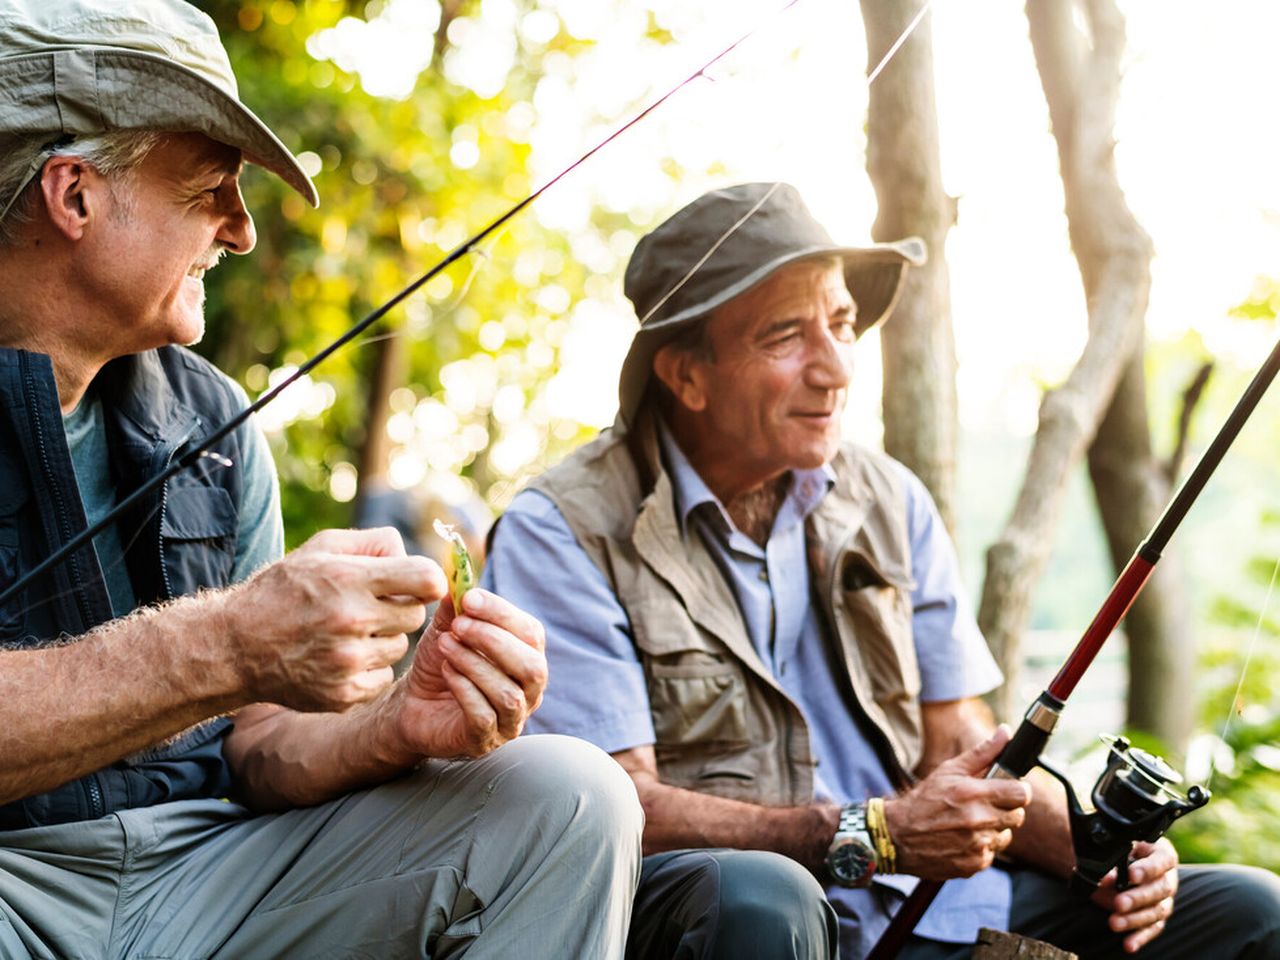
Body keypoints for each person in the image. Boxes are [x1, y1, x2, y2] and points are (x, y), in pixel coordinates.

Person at [483, 181, 1280, 959]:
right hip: (744, 920)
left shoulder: (890, 497)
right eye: (785, 336)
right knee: (766, 898)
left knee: (1250, 912)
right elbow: (616, 812)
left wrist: (1095, 848)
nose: (834, 367)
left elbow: (959, 738)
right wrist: (873, 837)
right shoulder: (562, 531)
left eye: (842, 323)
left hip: (946, 908)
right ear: (686, 374)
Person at [0, 2, 641, 957]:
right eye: (210, 188)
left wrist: (393, 725)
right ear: (75, 193)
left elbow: (256, 745)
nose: (243, 230)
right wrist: (226, 641)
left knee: (570, 797)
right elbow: (228, 659)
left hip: (206, 873)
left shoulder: (211, 421)